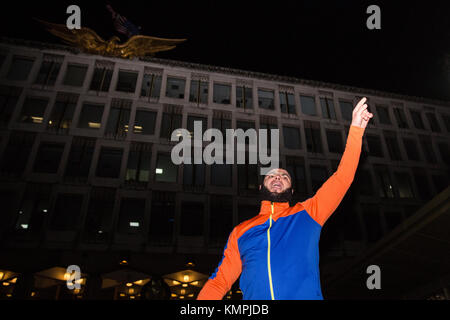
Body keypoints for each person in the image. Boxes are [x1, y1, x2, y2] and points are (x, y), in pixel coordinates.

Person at [197, 97, 373, 300]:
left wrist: (356, 130)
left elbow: (343, 178)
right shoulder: (240, 232)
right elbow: (219, 282)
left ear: (291, 189)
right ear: (261, 186)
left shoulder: (309, 213)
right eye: (271, 175)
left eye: (284, 176)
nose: (278, 177)